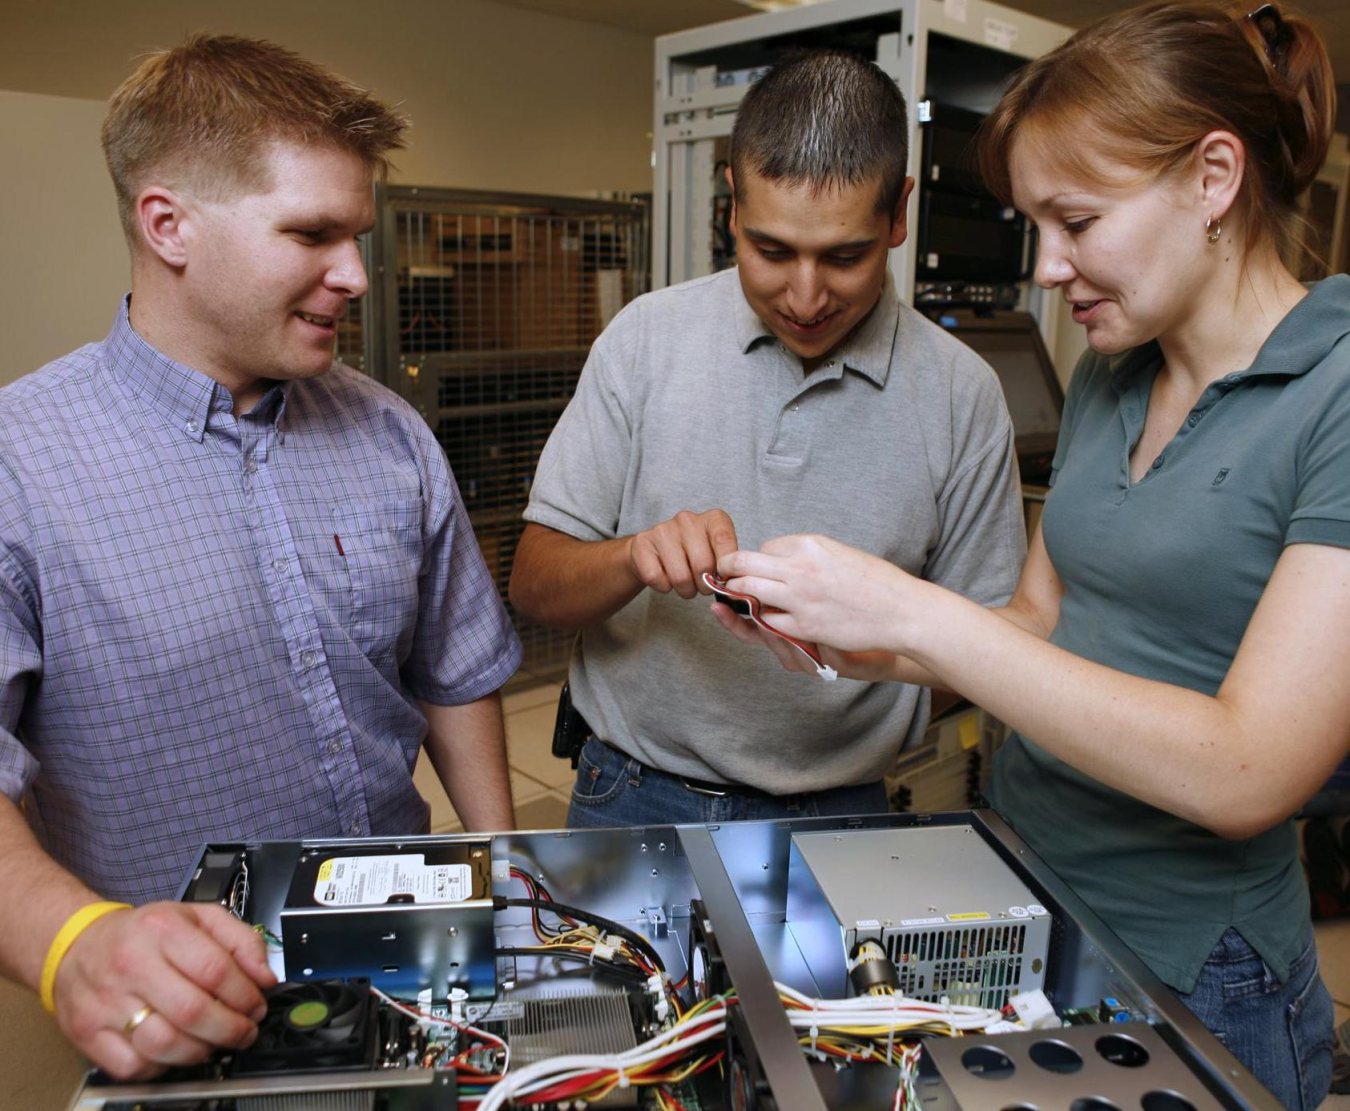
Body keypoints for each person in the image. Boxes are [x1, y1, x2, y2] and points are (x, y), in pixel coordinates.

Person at [714, 3, 1342, 1106]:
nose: (1047, 268)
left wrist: (913, 612)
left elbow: (1251, 770)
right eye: (1034, 226)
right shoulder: (1116, 370)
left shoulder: (1335, 394)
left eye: (1078, 221)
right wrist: (859, 638)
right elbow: (1037, 624)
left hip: (1199, 958)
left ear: (1213, 178)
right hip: (1022, 893)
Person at [0, 35, 521, 1080]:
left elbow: (454, 671)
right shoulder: (21, 461)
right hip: (186, 1007)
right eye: (313, 234)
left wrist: (507, 871)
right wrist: (70, 942)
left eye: (358, 234)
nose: (357, 275)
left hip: (407, 966)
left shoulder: (391, 432)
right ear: (168, 225)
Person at [509, 50, 1025, 828]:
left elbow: (994, 648)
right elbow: (535, 586)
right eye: (772, 251)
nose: (806, 296)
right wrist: (632, 557)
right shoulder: (645, 340)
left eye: (845, 256)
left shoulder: (963, 394)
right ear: (732, 208)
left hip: (841, 810)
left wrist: (866, 650)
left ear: (899, 214)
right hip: (632, 792)